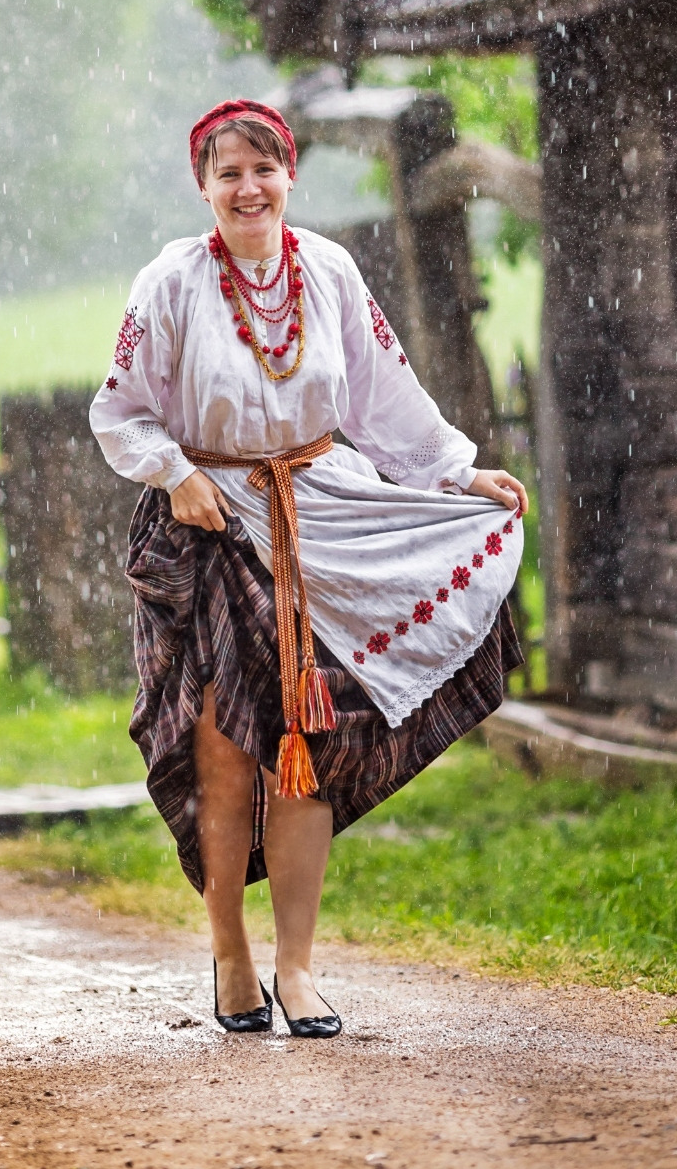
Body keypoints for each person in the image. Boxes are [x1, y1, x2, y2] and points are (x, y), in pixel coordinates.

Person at [90, 98, 527, 1038]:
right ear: (202, 186)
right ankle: (229, 956)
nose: (248, 189)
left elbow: (385, 399)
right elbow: (118, 412)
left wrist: (456, 470)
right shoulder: (169, 283)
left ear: (289, 175)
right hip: (210, 529)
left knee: (307, 749)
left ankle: (296, 970)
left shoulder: (327, 271)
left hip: (322, 523)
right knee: (224, 753)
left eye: (263, 169)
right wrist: (175, 474)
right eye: (227, 174)